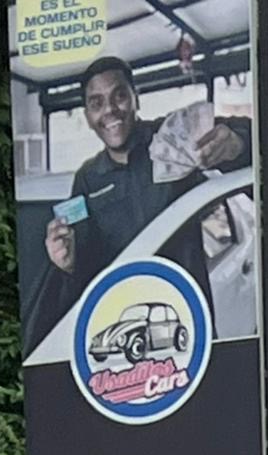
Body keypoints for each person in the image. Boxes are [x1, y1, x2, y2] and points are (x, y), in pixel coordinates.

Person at [21, 54, 251, 354]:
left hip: (186, 318)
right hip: (126, 327)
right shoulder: (87, 179)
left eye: (119, 96)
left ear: (136, 98)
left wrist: (237, 144)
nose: (110, 110)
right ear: (88, 116)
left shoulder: (175, 137)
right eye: (96, 103)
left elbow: (255, 137)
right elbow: (88, 260)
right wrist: (69, 262)